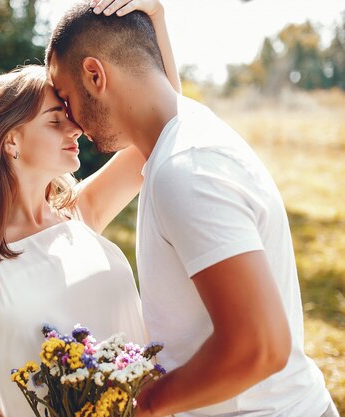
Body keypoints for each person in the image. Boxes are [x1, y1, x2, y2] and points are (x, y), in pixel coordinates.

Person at [45, 1, 338, 417]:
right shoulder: (180, 134)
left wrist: (146, 405)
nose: (70, 119)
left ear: (95, 74)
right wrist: (157, 18)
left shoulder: (186, 170)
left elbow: (260, 346)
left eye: (65, 96)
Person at [0, 1, 180, 416]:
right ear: (11, 141)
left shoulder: (81, 212)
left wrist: (156, 19)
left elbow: (164, 117)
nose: (76, 126)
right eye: (54, 119)